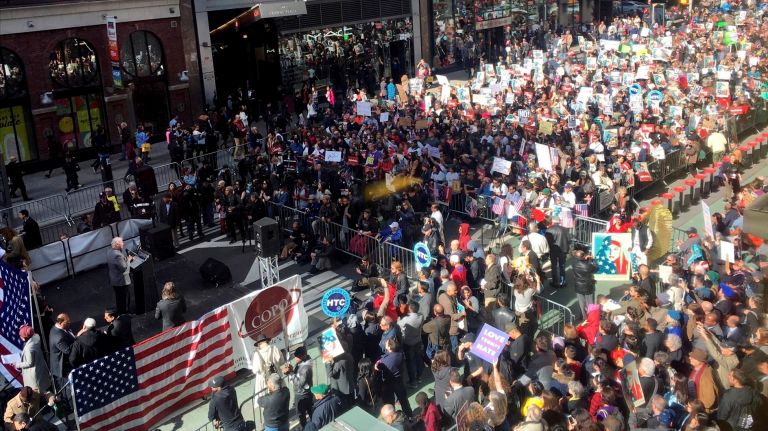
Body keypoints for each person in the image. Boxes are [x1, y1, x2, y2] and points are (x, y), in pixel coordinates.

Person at [283, 346, 313, 428]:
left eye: (298, 356)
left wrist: (291, 373)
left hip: (302, 394)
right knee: (310, 413)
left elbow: (299, 384)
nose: (295, 358)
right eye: (296, 356)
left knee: (302, 416)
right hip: (305, 393)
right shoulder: (300, 363)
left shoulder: (306, 368)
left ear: (304, 356)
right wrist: (291, 371)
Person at [15, 325, 51, 393]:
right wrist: (25, 328)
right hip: (40, 371)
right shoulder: (36, 338)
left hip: (34, 376)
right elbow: (34, 333)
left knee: (38, 394)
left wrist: (17, 365)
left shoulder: (29, 348)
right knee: (44, 390)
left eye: (21, 335)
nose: (20, 336)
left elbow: (29, 363)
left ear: (24, 338)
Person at [251, 334, 284, 406]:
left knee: (266, 400)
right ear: (267, 341)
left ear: (259, 344)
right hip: (276, 375)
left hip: (264, 380)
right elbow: (282, 362)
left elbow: (255, 370)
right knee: (279, 394)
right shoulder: (275, 348)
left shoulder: (257, 354)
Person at [48, 313, 75, 392]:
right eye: (67, 323)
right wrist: (78, 343)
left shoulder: (55, 328)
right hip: (61, 368)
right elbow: (67, 350)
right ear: (60, 322)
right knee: (65, 389)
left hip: (62, 365)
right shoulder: (59, 337)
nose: (69, 324)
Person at [107, 237, 132, 315]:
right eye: (122, 242)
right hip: (121, 281)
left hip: (114, 279)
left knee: (119, 298)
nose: (123, 244)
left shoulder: (109, 251)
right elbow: (124, 268)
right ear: (117, 244)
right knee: (124, 298)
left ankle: (121, 313)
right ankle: (125, 314)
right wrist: (129, 260)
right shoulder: (117, 255)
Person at [571, 250, 597, 320]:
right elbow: (595, 268)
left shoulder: (574, 263)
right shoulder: (587, 265)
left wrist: (585, 259)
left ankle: (584, 317)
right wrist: (592, 260)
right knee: (590, 303)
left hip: (578, 286)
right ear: (584, 256)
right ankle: (591, 317)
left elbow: (579, 261)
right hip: (588, 286)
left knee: (581, 303)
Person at [545, 217, 570, 289]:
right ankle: (562, 282)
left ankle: (555, 282)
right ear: (559, 221)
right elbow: (569, 239)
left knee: (554, 266)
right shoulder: (565, 229)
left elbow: (547, 242)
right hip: (563, 250)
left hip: (553, 250)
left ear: (552, 221)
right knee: (562, 266)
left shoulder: (549, 230)